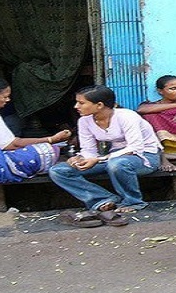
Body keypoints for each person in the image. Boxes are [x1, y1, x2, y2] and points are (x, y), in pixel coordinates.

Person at [49, 85, 163, 222]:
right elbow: (89, 150)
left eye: (81, 103)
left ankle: (133, 201)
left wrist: (98, 159)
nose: (76, 106)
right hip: (112, 157)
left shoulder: (127, 116)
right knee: (59, 170)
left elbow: (135, 147)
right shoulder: (84, 121)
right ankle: (103, 199)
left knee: (117, 164)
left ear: (99, 105)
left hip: (144, 156)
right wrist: (79, 158)